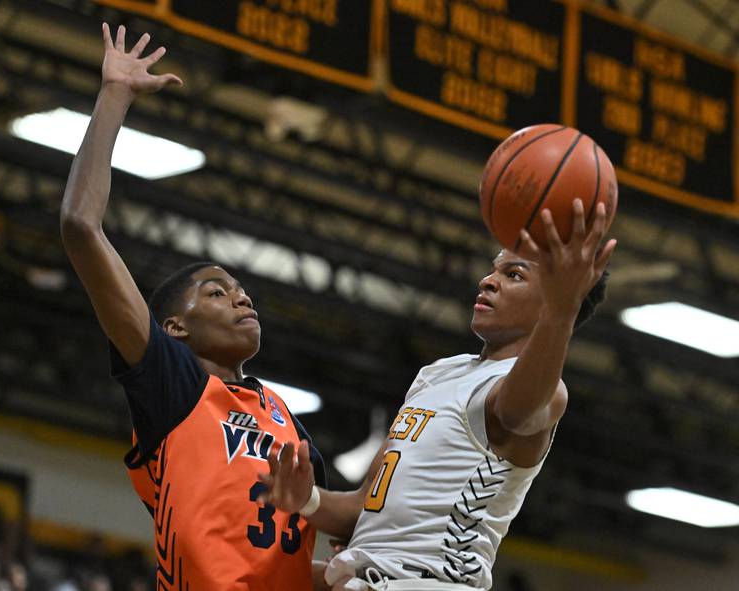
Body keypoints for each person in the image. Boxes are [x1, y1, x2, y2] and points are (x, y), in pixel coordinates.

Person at [60, 24, 326, 591]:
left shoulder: (288, 423)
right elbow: (80, 227)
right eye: (216, 291)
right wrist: (115, 96)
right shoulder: (173, 385)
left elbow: (311, 542)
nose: (241, 296)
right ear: (173, 328)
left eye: (240, 290)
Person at [260, 200, 617, 590]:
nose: (488, 280)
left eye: (513, 274)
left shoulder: (544, 393)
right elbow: (367, 505)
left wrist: (561, 313)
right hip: (368, 576)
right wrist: (307, 500)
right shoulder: (439, 373)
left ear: (555, 298)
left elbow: (519, 412)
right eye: (494, 268)